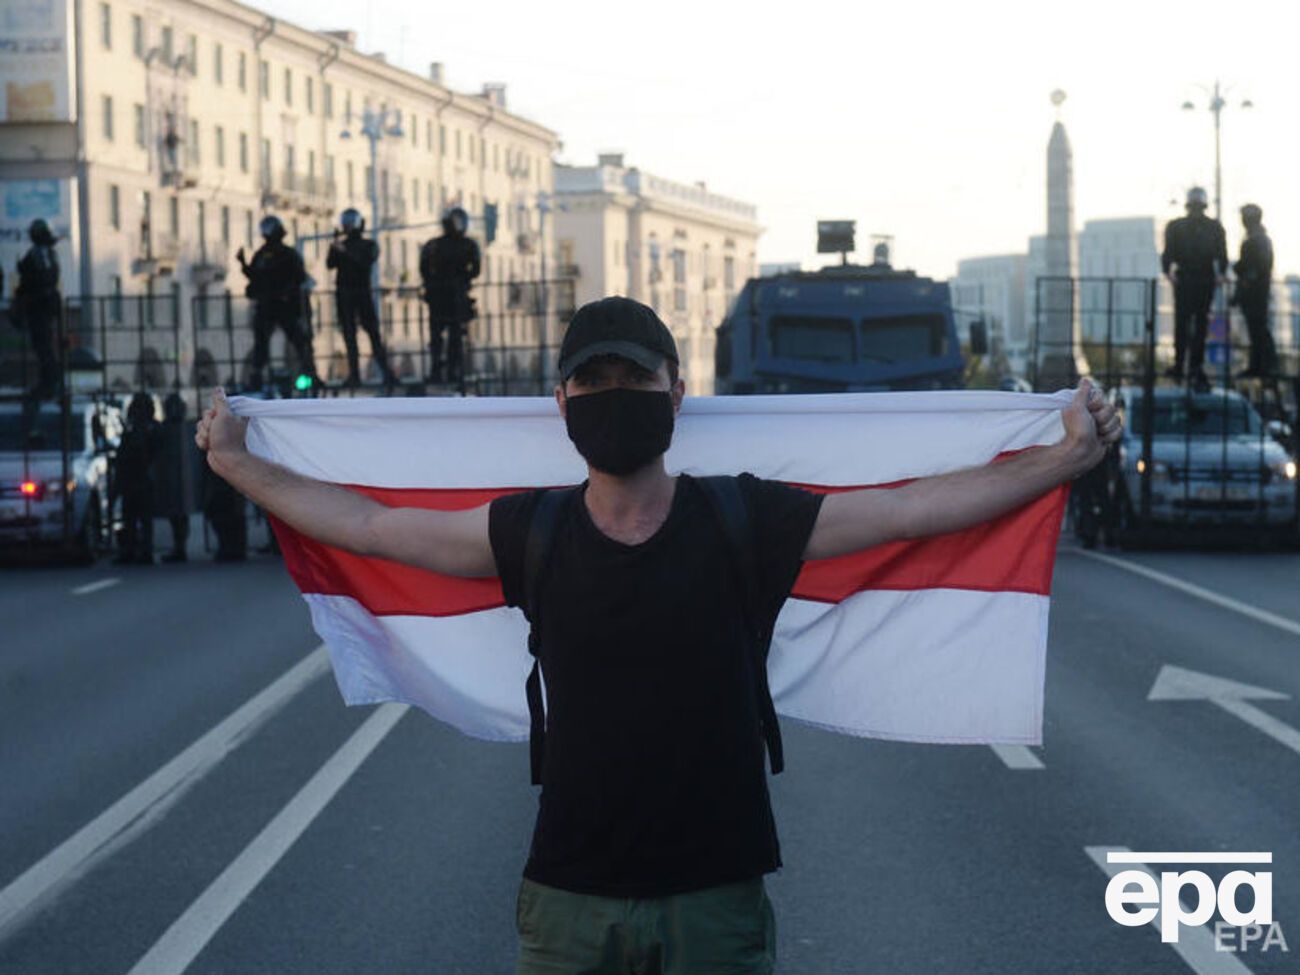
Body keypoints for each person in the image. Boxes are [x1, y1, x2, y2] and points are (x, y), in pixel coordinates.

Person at [196, 296, 1122, 974]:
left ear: (676, 392)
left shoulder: (741, 521)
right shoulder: (535, 530)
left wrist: (1067, 454)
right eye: (593, 379)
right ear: (562, 402)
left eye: (631, 376)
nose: (613, 393)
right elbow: (368, 528)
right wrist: (235, 462)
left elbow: (912, 508)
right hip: (565, 905)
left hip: (715, 903)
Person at [237, 215, 318, 390]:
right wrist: (243, 264)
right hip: (269, 306)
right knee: (262, 344)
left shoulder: (287, 254)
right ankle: (257, 376)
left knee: (299, 341)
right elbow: (256, 276)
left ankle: (311, 374)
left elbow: (298, 277)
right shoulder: (264, 254)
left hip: (285, 305)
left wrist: (287, 293)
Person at [1161, 186, 1228, 391]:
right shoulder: (1214, 227)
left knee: (1184, 324)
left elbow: (1167, 255)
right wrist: (1220, 275)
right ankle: (1193, 367)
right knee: (1198, 325)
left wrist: (1168, 273)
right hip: (1202, 280)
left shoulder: (1176, 226)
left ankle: (1182, 365)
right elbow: (1222, 257)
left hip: (1188, 280)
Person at [326, 208, 395, 388]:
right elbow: (330, 264)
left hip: (362, 293)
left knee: (373, 333)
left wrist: (344, 251)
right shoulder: (341, 245)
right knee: (349, 335)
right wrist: (334, 245)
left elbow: (364, 262)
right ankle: (354, 375)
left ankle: (386, 373)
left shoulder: (368, 245)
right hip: (344, 295)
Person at [419, 206, 480, 386]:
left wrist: (459, 280)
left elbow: (475, 269)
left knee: (449, 337)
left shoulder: (463, 244)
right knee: (442, 338)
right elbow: (475, 269)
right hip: (445, 296)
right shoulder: (437, 244)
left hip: (450, 296)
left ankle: (446, 371)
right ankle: (441, 370)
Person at [12, 218, 62, 399]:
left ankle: (50, 382)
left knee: (44, 346)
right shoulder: (46, 253)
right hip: (41, 305)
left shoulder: (40, 254)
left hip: (40, 306)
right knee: (43, 346)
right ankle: (49, 381)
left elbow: (43, 278)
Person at [1231, 203, 1276, 379]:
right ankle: (1259, 364)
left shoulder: (1257, 240)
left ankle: (1264, 365)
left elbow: (1258, 267)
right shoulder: (1257, 239)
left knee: (1259, 329)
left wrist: (1244, 279)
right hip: (1255, 292)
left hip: (1256, 293)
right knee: (1256, 329)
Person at [113, 392, 159, 565]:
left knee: (143, 518)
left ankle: (144, 551)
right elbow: (123, 456)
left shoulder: (152, 429)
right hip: (132, 479)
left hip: (143, 478)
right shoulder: (132, 430)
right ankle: (130, 550)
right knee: (130, 518)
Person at [155, 391, 192, 562]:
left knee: (180, 514)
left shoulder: (187, 428)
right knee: (175, 514)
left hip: (182, 477)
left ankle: (181, 547)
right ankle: (179, 547)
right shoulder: (164, 428)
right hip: (170, 477)